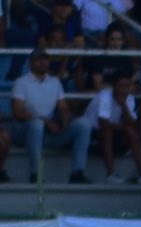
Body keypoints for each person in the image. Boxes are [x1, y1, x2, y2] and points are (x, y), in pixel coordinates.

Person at [13, 47, 93, 184]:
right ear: (31, 63)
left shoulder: (55, 82)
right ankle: (36, 174)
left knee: (84, 124)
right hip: (26, 132)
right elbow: (18, 112)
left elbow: (63, 108)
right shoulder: (21, 82)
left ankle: (77, 172)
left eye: (45, 59)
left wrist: (64, 120)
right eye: (38, 59)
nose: (43, 62)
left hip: (48, 133)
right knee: (37, 124)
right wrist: (45, 121)